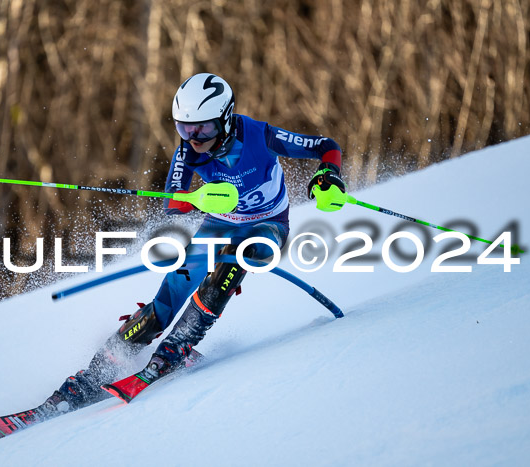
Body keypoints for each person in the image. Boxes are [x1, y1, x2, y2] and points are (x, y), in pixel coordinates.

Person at [42, 73, 345, 414]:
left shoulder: (261, 135)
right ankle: (94, 374)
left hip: (268, 225)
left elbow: (326, 147)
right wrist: (197, 197)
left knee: (236, 258)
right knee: (167, 298)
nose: (195, 138)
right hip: (220, 224)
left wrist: (327, 175)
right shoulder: (188, 152)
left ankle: (176, 348)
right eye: (185, 129)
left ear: (227, 118)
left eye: (204, 129)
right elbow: (176, 201)